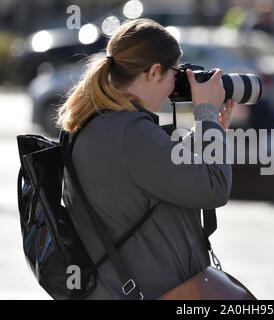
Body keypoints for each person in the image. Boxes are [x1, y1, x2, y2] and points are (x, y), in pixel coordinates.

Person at [57, 18, 234, 299]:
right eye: (174, 74)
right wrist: (207, 114)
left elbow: (158, 166)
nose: (175, 86)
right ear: (153, 72)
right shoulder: (131, 131)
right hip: (155, 292)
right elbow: (215, 187)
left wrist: (209, 131)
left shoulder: (94, 123)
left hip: (114, 289)